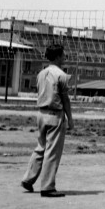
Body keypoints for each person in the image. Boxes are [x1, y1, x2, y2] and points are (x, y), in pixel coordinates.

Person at [21, 44, 74, 198]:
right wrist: (70, 119)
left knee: (41, 147)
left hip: (41, 114)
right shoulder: (61, 75)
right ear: (57, 56)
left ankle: (28, 179)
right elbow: (65, 100)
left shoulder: (41, 73)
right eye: (63, 55)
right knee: (52, 151)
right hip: (55, 114)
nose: (65, 57)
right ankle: (47, 186)